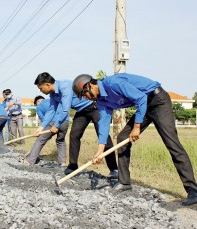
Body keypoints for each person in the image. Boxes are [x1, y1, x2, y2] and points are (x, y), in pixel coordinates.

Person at [72, 73, 197, 206]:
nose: (85, 97)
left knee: (172, 143)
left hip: (157, 100)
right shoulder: (101, 100)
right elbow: (103, 124)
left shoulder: (113, 83)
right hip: (143, 107)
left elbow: (141, 97)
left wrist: (137, 126)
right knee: (122, 138)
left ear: (89, 85)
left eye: (84, 94)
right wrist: (100, 151)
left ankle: (193, 190)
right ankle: (124, 182)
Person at [34, 72, 118, 176]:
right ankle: (73, 166)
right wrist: (41, 127)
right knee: (74, 135)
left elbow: (65, 110)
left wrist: (56, 125)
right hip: (82, 111)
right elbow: (52, 110)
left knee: (103, 134)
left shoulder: (65, 87)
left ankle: (114, 169)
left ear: (47, 84)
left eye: (40, 88)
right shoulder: (53, 94)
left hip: (94, 106)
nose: (40, 91)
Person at [25, 96, 69, 166]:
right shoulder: (53, 100)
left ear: (38, 102)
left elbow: (43, 119)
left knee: (40, 140)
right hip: (65, 121)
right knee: (61, 141)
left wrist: (45, 133)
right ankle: (62, 162)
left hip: (52, 122)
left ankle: (30, 160)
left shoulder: (39, 107)